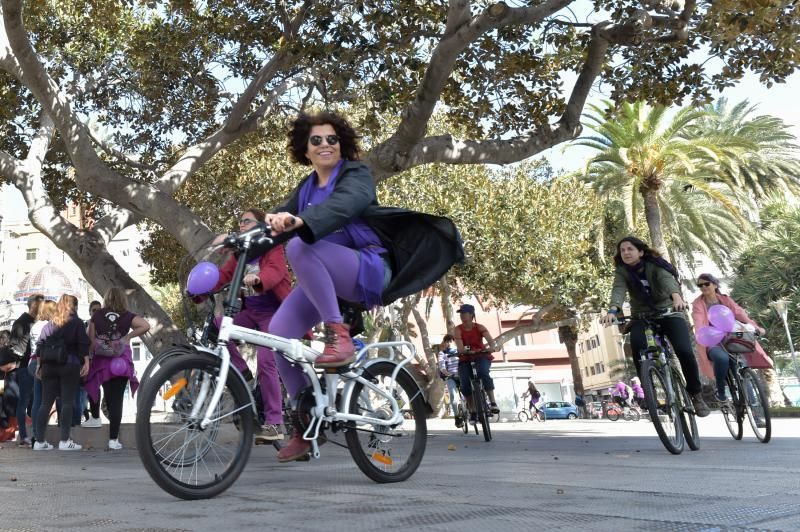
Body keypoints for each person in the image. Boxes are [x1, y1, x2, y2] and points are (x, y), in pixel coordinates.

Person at [265, 111, 463, 461]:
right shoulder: (305, 189)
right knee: (278, 335)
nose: (326, 145)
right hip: (324, 277)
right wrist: (243, 237)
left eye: (332, 139)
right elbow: (276, 225)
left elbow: (347, 204)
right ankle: (307, 420)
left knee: (299, 244)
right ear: (304, 149)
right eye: (316, 140)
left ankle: (338, 335)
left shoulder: (356, 174)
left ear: (342, 144)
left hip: (366, 269)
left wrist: (301, 222)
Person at [207, 207, 292, 443]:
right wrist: (199, 290)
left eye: (246, 221)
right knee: (218, 325)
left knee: (266, 361)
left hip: (273, 313)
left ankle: (275, 423)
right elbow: (222, 277)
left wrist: (259, 279)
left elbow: (275, 271)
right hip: (251, 312)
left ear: (258, 225)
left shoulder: (271, 246)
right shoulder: (240, 254)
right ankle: (243, 373)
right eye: (240, 221)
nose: (241, 225)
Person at [600, 236, 710, 417]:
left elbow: (667, 281)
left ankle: (696, 394)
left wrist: (676, 298)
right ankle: (648, 391)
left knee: (684, 351)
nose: (626, 253)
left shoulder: (655, 265)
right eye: (623, 250)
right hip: (642, 316)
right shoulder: (622, 271)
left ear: (641, 252)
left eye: (630, 249)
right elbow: (618, 290)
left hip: (669, 311)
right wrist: (613, 310)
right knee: (637, 344)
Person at [691, 273, 771, 405]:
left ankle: (755, 414)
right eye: (700, 285)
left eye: (706, 284)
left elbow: (740, 314)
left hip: (731, 337)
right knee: (722, 358)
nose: (703, 287)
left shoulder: (725, 299)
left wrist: (756, 327)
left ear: (715, 285)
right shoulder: (698, 304)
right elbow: (698, 320)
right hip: (712, 340)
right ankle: (721, 390)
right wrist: (701, 332)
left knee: (741, 369)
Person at [86, 288, 150, 450]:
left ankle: (111, 428)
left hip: (103, 362)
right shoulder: (127, 315)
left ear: (106, 298)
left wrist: (99, 347)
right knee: (118, 400)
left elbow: (91, 340)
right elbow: (145, 325)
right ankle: (113, 440)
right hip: (121, 361)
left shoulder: (97, 315)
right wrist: (128, 337)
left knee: (109, 396)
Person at [33, 295, 90, 451]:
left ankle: (39, 441)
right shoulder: (76, 323)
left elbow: (40, 346)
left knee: (45, 403)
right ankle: (65, 441)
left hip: (49, 366)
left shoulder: (50, 324)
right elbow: (83, 343)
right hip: (69, 365)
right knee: (67, 402)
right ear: (74, 307)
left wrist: (39, 365)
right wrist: (86, 361)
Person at [452, 303, 500, 425]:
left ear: (471, 314)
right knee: (464, 383)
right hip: (465, 358)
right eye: (461, 313)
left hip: (481, 355)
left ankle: (493, 402)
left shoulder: (479, 327)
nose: (462, 315)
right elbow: (460, 347)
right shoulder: (458, 329)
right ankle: (473, 410)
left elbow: (491, 341)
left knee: (483, 373)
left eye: (464, 313)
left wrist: (492, 347)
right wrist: (465, 351)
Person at [9, 294, 44, 446]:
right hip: (25, 367)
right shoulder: (21, 322)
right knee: (25, 401)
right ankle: (24, 435)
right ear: (34, 305)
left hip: (35, 365)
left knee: (35, 400)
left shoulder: (38, 322)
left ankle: (34, 433)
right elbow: (14, 347)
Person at [28, 299, 57, 445]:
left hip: (33, 363)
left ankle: (36, 434)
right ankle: (39, 437)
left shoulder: (35, 326)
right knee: (44, 402)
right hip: (42, 363)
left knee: (38, 400)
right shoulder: (47, 326)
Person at [436, 334, 462, 426]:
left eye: (451, 341)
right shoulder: (442, 353)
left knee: (468, 395)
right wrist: (450, 374)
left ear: (454, 341)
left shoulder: (460, 351)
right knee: (453, 398)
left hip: (463, 375)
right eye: (447, 341)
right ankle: (457, 417)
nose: (449, 343)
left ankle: (472, 412)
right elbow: (442, 367)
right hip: (451, 377)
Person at [0, 331, 20, 442]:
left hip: (4, 382)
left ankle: (7, 428)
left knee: (3, 403)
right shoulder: (11, 352)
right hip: (6, 382)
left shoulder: (6, 352)